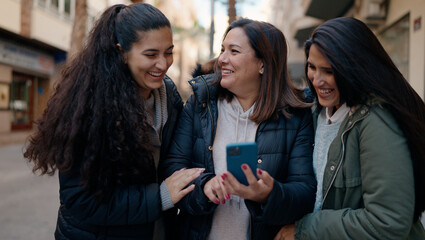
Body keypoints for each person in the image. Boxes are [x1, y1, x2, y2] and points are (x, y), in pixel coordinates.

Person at [23, 3, 204, 240]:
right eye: (151, 54)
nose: (163, 64)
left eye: (168, 52)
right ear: (121, 52)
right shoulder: (91, 105)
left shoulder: (168, 95)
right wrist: (160, 197)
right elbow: (81, 200)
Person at [162, 18, 316, 240]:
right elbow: (173, 168)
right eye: (222, 49)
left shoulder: (295, 117)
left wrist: (269, 195)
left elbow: (304, 193)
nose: (222, 59)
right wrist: (204, 187)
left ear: (263, 64)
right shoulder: (200, 104)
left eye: (233, 51)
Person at [274, 17, 425, 240]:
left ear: (353, 68)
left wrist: (303, 229)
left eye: (329, 71)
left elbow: (387, 222)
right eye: (312, 67)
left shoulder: (375, 121)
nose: (317, 80)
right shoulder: (316, 111)